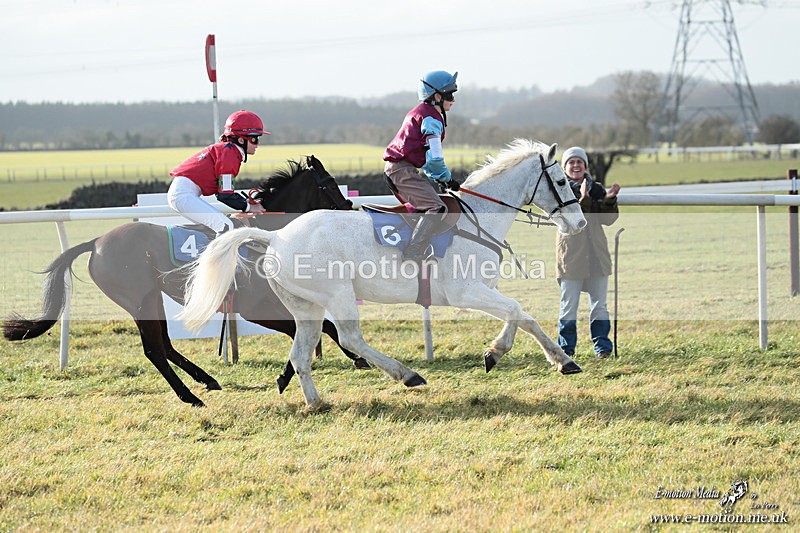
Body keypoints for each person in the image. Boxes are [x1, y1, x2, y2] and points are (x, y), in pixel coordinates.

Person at [383, 70, 461, 261]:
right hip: (401, 170)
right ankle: (413, 253)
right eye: (449, 94)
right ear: (436, 96)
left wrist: (438, 178)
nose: (453, 99)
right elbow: (434, 158)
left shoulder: (423, 114)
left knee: (430, 206)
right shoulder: (431, 119)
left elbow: (425, 157)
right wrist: (446, 178)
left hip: (401, 168)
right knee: (436, 208)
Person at [556, 146, 621, 359]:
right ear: (564, 167)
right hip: (571, 256)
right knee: (568, 307)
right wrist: (583, 200)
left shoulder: (597, 188)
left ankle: (602, 349)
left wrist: (609, 200)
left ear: (585, 166)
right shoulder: (559, 191)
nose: (576, 166)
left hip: (597, 255)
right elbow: (573, 219)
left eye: (579, 162)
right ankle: (565, 350)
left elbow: (607, 220)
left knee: (599, 306)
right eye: (571, 162)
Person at [167, 110, 269, 235]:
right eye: (254, 139)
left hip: (184, 194)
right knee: (226, 226)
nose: (257, 144)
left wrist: (247, 203)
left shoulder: (229, 151)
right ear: (241, 140)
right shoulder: (230, 154)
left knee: (222, 225)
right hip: (183, 196)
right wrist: (250, 207)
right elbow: (224, 195)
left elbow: (224, 193)